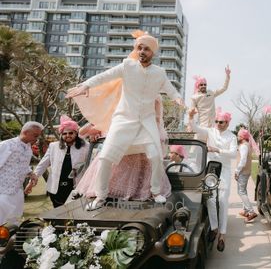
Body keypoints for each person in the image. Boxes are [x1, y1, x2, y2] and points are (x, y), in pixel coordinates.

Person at [66, 30, 184, 209]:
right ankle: (100, 196)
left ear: (153, 53)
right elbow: (104, 76)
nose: (142, 52)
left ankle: (155, 191)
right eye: (139, 48)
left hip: (147, 122)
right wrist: (86, 85)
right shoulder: (127, 66)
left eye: (146, 49)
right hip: (123, 120)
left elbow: (170, 89)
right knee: (105, 158)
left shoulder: (159, 73)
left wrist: (178, 98)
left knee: (157, 157)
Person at [75, 95, 172, 201]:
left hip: (141, 150)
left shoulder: (152, 96)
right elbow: (82, 132)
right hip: (120, 152)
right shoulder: (120, 97)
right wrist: (99, 126)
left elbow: (156, 120)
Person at [188, 108, 237, 252]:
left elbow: (234, 154)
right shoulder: (210, 131)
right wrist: (191, 117)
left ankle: (222, 234)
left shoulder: (232, 137)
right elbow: (195, 128)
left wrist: (218, 150)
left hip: (225, 170)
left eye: (221, 122)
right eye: (216, 121)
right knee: (210, 198)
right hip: (211, 169)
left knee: (222, 201)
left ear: (227, 123)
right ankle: (214, 228)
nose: (218, 124)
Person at [26, 116, 88, 208]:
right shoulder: (53, 146)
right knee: (58, 215)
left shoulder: (85, 146)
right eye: (64, 133)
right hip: (56, 189)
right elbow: (43, 164)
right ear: (61, 135)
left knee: (74, 214)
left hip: (76, 187)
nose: (67, 135)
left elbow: (91, 164)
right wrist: (32, 180)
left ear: (76, 133)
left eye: (71, 133)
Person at [0, 121, 43, 225]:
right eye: (35, 135)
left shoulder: (28, 148)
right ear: (25, 132)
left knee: (14, 221)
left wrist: (31, 174)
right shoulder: (6, 145)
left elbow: (22, 166)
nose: (37, 139)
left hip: (18, 191)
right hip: (3, 191)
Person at [190, 66, 231, 138]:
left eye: (205, 84)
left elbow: (224, 88)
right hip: (202, 126)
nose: (203, 86)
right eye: (201, 84)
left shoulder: (211, 93)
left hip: (213, 127)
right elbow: (191, 112)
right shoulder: (194, 97)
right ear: (197, 86)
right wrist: (190, 125)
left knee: (212, 147)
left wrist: (227, 76)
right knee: (196, 145)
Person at [234, 128, 260, 223]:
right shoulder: (247, 145)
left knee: (241, 192)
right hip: (246, 171)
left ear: (242, 137)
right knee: (243, 191)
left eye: (238, 135)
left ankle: (251, 211)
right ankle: (245, 210)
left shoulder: (243, 146)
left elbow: (243, 160)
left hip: (243, 172)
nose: (237, 137)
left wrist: (237, 171)